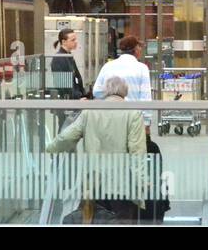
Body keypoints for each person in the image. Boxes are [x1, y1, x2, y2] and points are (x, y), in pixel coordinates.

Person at [46, 76, 147, 221]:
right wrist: (141, 184)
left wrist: (51, 149)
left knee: (93, 220)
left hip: (94, 184)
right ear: (125, 92)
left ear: (106, 91)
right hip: (122, 186)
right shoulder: (133, 114)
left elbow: (66, 137)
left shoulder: (90, 112)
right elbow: (137, 153)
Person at [92, 35, 152, 133]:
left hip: (110, 116)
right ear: (136, 49)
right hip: (133, 118)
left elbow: (96, 91)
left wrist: (111, 95)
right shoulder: (142, 68)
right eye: (139, 47)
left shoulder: (108, 66)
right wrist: (146, 122)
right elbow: (145, 97)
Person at [50, 27, 88, 99]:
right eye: (73, 40)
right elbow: (62, 85)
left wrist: (83, 94)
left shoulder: (69, 57)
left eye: (76, 39)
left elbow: (77, 78)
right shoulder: (59, 59)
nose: (76, 42)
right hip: (68, 101)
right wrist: (77, 98)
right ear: (64, 42)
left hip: (76, 97)